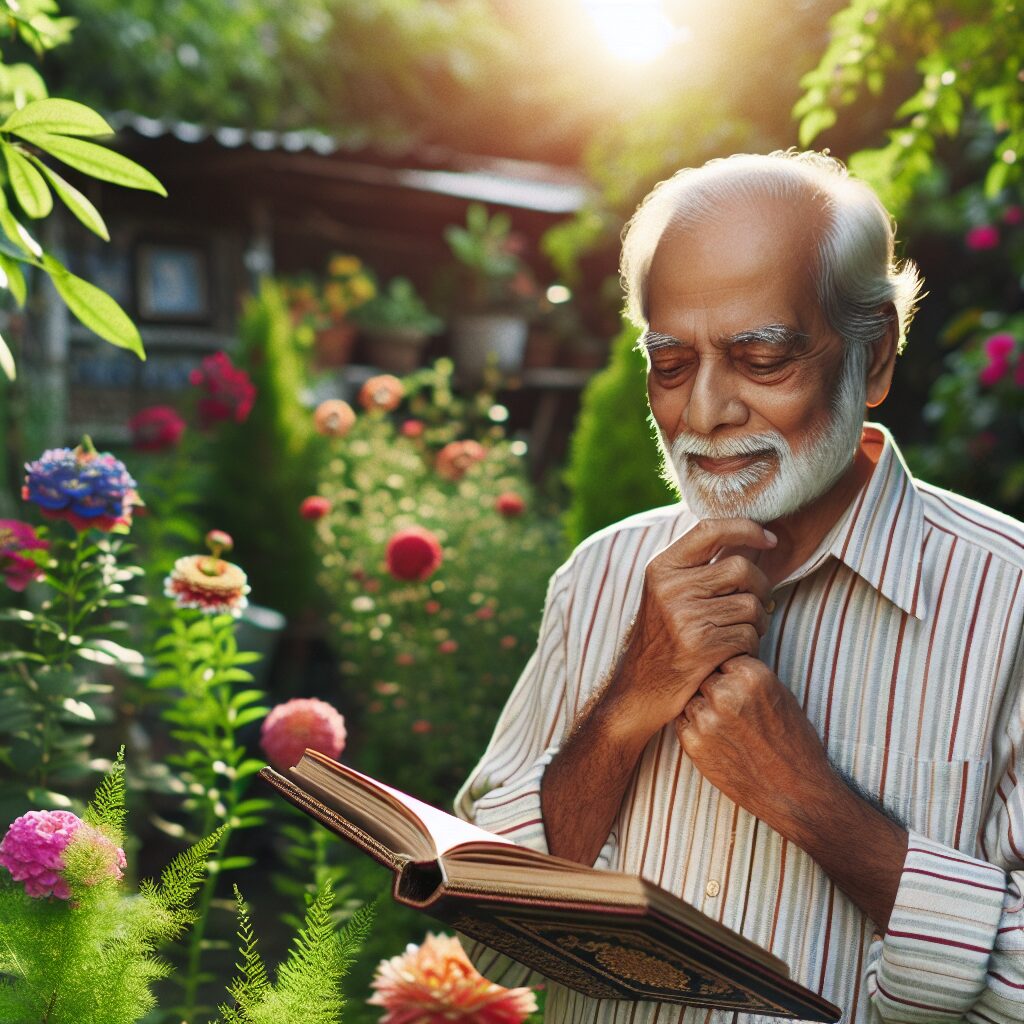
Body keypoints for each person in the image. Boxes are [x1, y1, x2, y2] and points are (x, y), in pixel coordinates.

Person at [454, 150, 1024, 1023]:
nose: (706, 412)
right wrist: (623, 708)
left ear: (874, 358)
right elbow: (483, 936)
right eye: (671, 364)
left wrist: (821, 809)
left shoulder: (1008, 600)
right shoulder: (600, 576)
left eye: (761, 357)